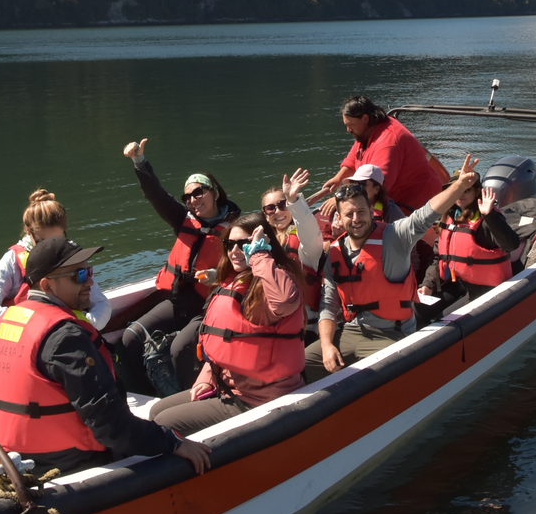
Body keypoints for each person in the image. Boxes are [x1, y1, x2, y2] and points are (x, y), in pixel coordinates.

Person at [0, 236, 210, 476]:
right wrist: (173, 442)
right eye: (79, 275)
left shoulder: (0, 325)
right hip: (70, 466)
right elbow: (111, 428)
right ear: (47, 286)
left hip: (13, 461)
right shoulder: (66, 339)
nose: (90, 281)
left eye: (89, 271)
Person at [304, 157, 480, 383]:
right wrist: (327, 345)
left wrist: (460, 185)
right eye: (349, 214)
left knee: (375, 379)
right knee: (303, 365)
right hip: (351, 331)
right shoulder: (336, 252)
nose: (356, 219)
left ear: (371, 210)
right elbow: (328, 305)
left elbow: (426, 214)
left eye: (361, 212)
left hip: (392, 335)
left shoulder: (394, 236)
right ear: (339, 217)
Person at [150, 214, 305, 436]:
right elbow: (223, 344)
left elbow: (285, 301)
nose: (234, 251)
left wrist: (260, 255)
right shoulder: (234, 281)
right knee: (156, 410)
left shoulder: (274, 282)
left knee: (162, 423)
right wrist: (207, 377)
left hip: (259, 398)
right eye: (230, 244)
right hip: (227, 385)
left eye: (244, 244)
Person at [119, 139, 240, 394]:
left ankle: (191, 400)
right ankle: (147, 396)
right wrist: (139, 161)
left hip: (209, 307)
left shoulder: (235, 231)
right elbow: (156, 195)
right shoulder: (182, 219)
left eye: (199, 193)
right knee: (130, 338)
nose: (193, 200)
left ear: (214, 192)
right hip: (177, 301)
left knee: (180, 349)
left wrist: (218, 275)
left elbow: (247, 270)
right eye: (188, 197)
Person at [0, 188, 111, 330]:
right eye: (43, 241)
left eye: (57, 239)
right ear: (28, 230)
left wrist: (83, 325)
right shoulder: (12, 260)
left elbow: (101, 303)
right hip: (29, 334)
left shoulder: (69, 254)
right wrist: (33, 320)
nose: (51, 246)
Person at [418, 169, 520, 324]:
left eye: (466, 190)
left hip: (485, 289)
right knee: (418, 311)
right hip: (457, 284)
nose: (461, 194)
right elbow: (438, 257)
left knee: (444, 321)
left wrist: (489, 215)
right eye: (458, 189)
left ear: (477, 191)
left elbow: (510, 244)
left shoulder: (486, 219)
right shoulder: (449, 217)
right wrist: (428, 284)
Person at [315, 96, 443, 216]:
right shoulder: (366, 131)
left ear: (365, 118)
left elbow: (376, 186)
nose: (348, 129)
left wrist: (342, 197)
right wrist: (338, 178)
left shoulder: (389, 142)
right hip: (394, 199)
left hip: (418, 206)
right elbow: (354, 157)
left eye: (351, 125)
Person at [260, 170, 323, 314]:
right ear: (265, 215)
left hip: (304, 317)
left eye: (283, 205)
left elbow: (309, 232)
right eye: (270, 208)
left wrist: (293, 200)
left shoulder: (303, 241)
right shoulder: (260, 243)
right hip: (270, 315)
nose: (277, 211)